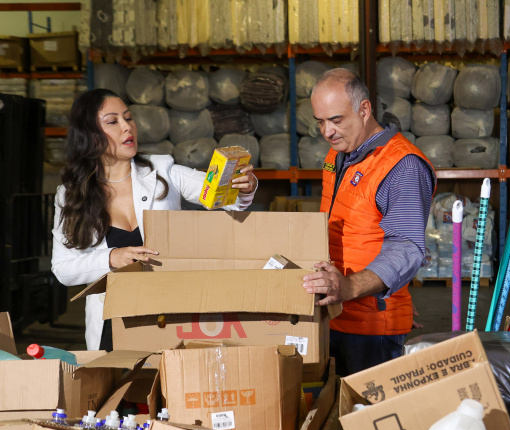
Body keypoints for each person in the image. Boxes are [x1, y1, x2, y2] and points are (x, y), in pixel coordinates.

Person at [51, 88, 258, 351]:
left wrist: (245, 187)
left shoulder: (163, 172)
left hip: (169, 314)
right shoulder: (70, 195)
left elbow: (225, 198)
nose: (127, 127)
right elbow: (62, 269)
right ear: (88, 135)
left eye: (129, 118)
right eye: (113, 122)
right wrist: (112, 258)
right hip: (113, 323)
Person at [303, 69, 435, 376]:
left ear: (364, 110)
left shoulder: (402, 166)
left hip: (371, 329)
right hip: (333, 314)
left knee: (365, 416)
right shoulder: (340, 155)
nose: (327, 131)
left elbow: (407, 248)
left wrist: (349, 286)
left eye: (336, 120)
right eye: (320, 121)